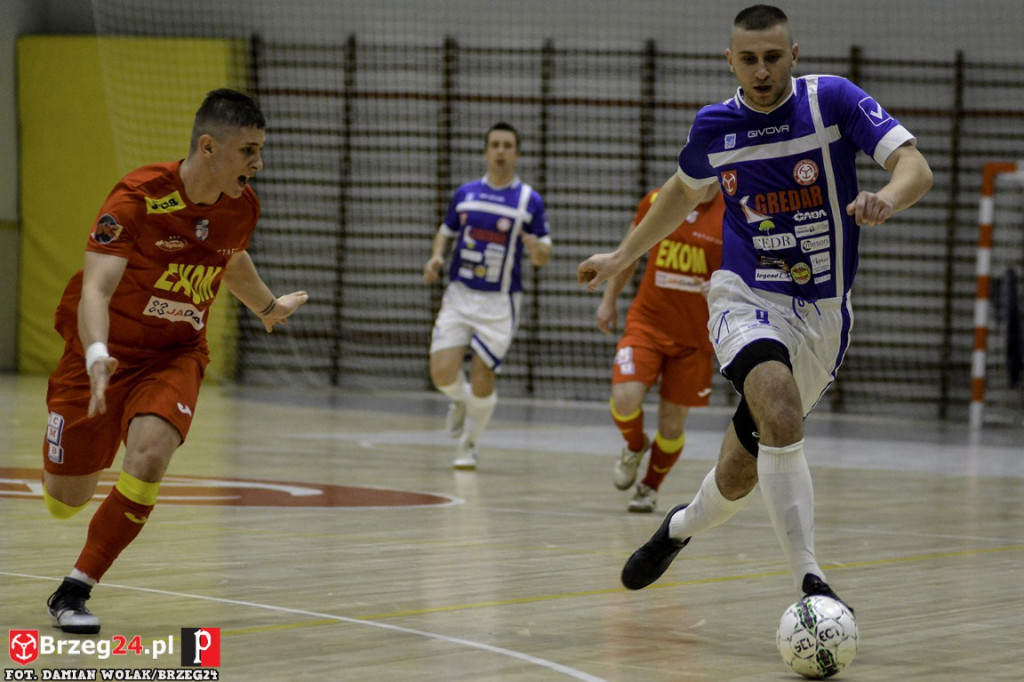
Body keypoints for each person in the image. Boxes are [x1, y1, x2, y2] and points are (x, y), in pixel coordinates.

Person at [578, 5, 932, 608]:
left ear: (793, 54)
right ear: (731, 61)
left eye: (773, 57)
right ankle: (811, 583)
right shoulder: (716, 127)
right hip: (747, 294)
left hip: (822, 312)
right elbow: (679, 193)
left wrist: (888, 200)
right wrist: (621, 255)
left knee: (742, 471)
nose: (762, 70)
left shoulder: (834, 101)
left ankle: (678, 527)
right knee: (779, 406)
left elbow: (914, 167)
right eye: (749, 59)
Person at [42, 88, 309, 633]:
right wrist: (96, 353)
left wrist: (266, 306)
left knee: (149, 457)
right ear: (208, 147)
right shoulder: (136, 198)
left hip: (175, 353)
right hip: (105, 354)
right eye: (249, 151)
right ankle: (74, 457)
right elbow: (95, 289)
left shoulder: (243, 205)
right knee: (65, 499)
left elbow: (228, 258)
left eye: (261, 150)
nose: (258, 163)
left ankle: (75, 589)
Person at [423, 122, 552, 470]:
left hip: (500, 302)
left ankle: (469, 445)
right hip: (460, 294)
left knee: (483, 375)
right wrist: (437, 257)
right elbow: (445, 232)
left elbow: (543, 256)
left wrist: (536, 247)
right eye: (494, 144)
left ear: (517, 154)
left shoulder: (529, 200)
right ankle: (461, 402)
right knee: (442, 374)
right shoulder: (465, 193)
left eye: (507, 145)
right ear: (485, 152)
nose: (500, 151)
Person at [596, 183, 725, 513]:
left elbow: (749, 266)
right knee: (625, 398)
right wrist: (608, 302)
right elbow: (627, 254)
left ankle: (649, 487)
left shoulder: (732, 209)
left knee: (671, 425)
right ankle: (635, 446)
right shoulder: (658, 200)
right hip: (647, 323)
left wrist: (724, 285)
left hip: (695, 337)